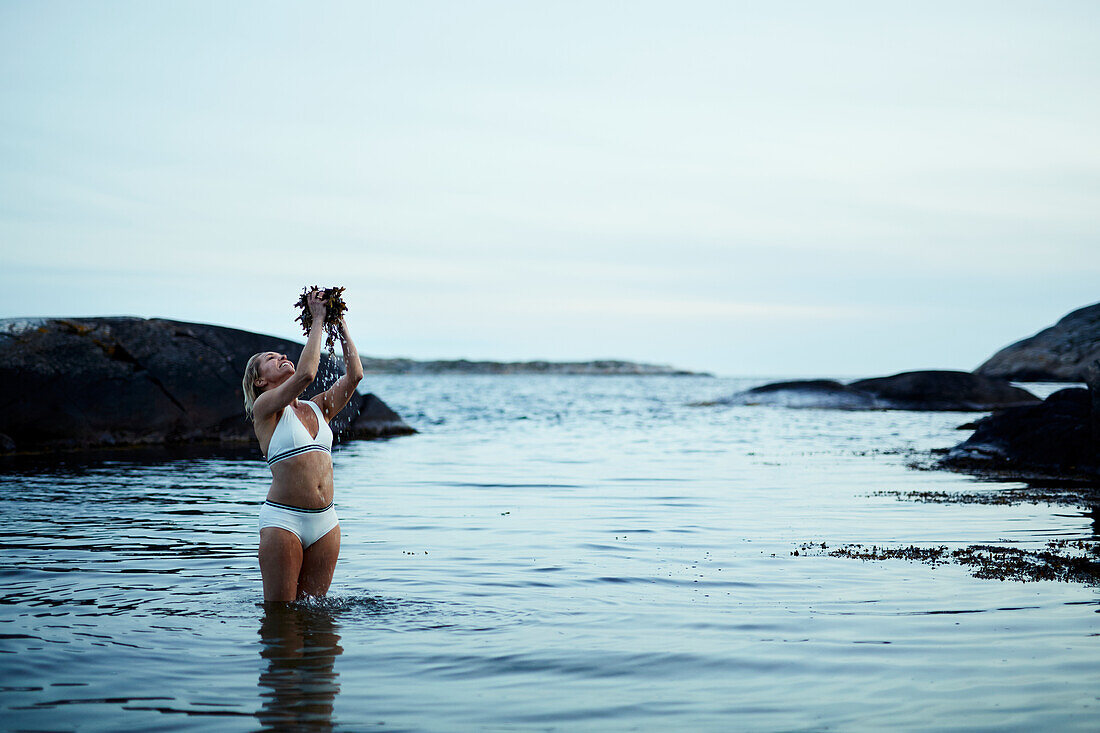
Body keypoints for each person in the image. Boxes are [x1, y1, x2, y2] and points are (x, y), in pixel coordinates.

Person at [241, 288, 364, 602]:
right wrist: (318, 320)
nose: (282, 357)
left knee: (318, 624)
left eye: (282, 355)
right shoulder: (265, 409)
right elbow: (308, 372)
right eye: (272, 359)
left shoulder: (315, 408)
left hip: (326, 522)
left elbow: (355, 376)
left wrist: (340, 324)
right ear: (259, 381)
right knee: (281, 619)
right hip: (284, 521)